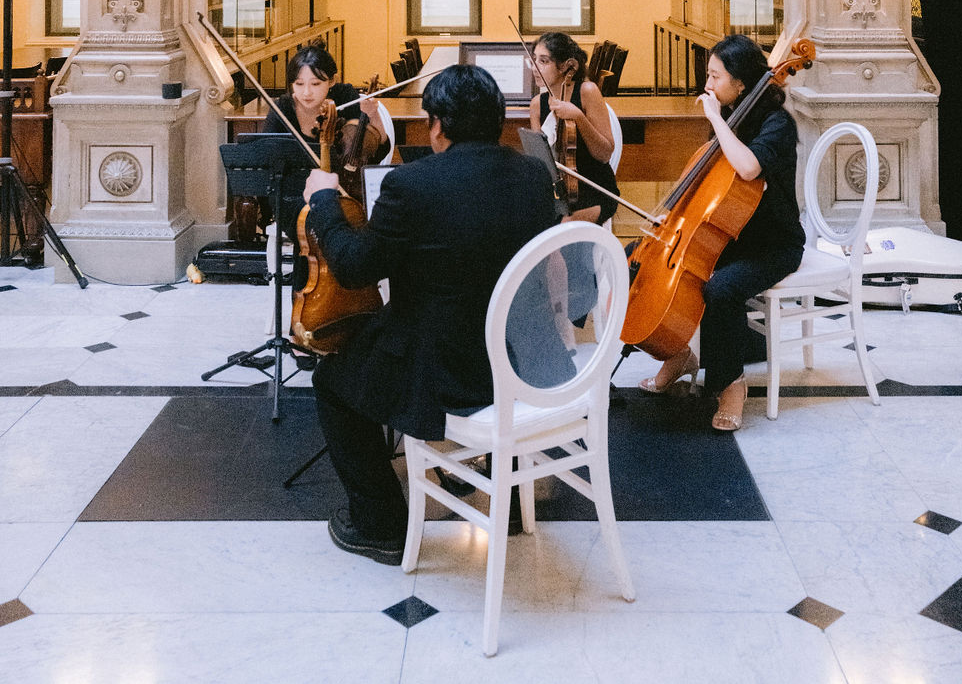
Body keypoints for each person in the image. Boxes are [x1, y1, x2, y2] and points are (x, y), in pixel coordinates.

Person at [302, 63, 559, 564]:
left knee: (332, 379)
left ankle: (379, 524)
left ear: (438, 124)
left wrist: (326, 201)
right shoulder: (533, 174)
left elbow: (355, 268)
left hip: (450, 371)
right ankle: (500, 495)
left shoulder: (411, 185)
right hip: (523, 360)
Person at [638, 34, 803, 432]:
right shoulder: (735, 115)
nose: (707, 85)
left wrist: (714, 118)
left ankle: (732, 383)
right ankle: (679, 353)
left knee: (720, 288)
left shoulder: (776, 123)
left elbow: (747, 169)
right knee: (646, 265)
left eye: (715, 76)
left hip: (773, 243)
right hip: (733, 236)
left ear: (742, 82)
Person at [260, 41, 387, 243]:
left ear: (332, 80)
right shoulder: (283, 108)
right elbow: (265, 155)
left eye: (316, 84)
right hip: (295, 194)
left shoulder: (345, 97)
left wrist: (372, 115)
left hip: (344, 188)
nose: (307, 92)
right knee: (312, 226)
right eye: (299, 84)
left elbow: (378, 147)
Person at [529, 32, 619, 225]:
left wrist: (578, 116)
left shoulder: (587, 91)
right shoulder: (537, 105)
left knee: (561, 227)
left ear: (565, 66)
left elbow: (604, 154)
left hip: (595, 190)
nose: (535, 67)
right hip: (558, 193)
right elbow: (541, 163)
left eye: (543, 61)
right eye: (534, 59)